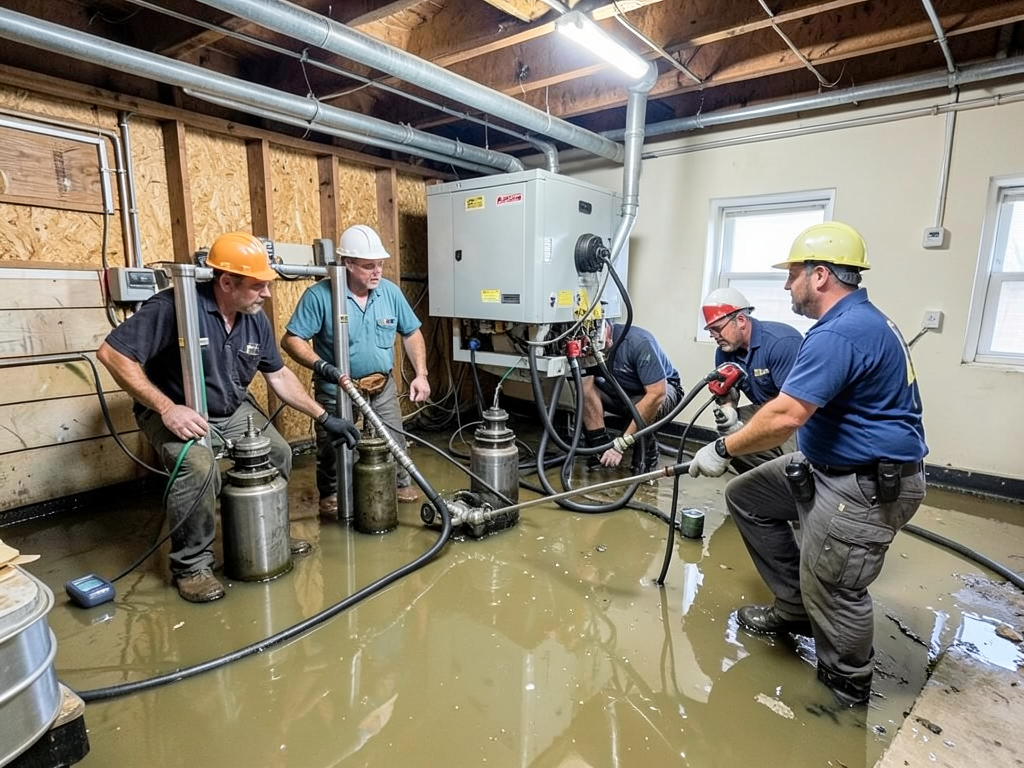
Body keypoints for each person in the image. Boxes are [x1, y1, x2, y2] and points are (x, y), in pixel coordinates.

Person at [687, 221, 927, 706]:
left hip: (864, 484)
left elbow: (786, 414)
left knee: (835, 586)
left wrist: (722, 447)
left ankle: (844, 688)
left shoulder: (840, 332)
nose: (786, 284)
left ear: (820, 276)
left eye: (793, 274)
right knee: (747, 495)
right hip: (831, 463)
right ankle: (794, 609)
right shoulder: (856, 323)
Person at [97, 232, 360, 603]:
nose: (267, 294)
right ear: (225, 281)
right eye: (258, 286)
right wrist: (167, 408)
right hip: (175, 409)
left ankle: (268, 533)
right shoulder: (173, 307)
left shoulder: (254, 320)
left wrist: (324, 417)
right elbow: (112, 354)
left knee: (279, 453)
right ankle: (192, 566)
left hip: (231, 407)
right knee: (198, 466)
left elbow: (279, 376)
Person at [282, 224, 430, 512]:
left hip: (381, 385)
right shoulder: (320, 296)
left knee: (393, 438)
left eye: (380, 265)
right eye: (368, 266)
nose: (377, 272)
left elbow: (411, 332)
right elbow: (291, 339)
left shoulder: (389, 293)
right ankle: (333, 491)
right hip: (338, 388)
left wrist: (421, 374)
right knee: (334, 445)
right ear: (348, 264)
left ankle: (400, 482)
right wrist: (322, 366)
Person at [701, 286, 803, 472]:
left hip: (800, 415)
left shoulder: (780, 343)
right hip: (768, 408)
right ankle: (768, 480)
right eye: (710, 330)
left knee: (795, 462)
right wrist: (729, 410)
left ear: (740, 320)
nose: (713, 336)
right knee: (727, 440)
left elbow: (791, 408)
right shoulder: (724, 352)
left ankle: (793, 478)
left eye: (717, 329)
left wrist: (755, 431)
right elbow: (728, 390)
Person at [581, 320, 682, 474]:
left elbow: (657, 394)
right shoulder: (587, 348)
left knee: (642, 405)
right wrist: (602, 444)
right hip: (622, 391)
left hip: (662, 391)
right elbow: (586, 388)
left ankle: (646, 456)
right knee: (583, 389)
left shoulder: (638, 342)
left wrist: (621, 444)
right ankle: (601, 449)